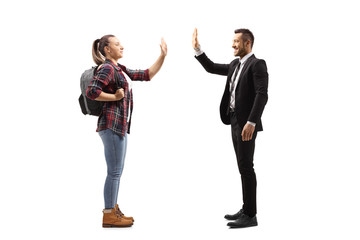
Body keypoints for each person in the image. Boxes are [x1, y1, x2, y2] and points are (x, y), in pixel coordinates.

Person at [86, 34, 167, 228]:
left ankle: (112, 209)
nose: (121, 46)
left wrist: (162, 56)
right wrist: (114, 97)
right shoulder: (107, 67)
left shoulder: (118, 69)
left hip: (118, 126)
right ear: (107, 49)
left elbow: (145, 75)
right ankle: (108, 214)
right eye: (117, 44)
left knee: (116, 171)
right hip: (111, 126)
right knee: (114, 172)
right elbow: (92, 91)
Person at [192, 28, 268, 228]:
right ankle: (246, 208)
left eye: (236, 41)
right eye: (233, 41)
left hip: (246, 124)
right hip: (233, 120)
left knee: (246, 167)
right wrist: (198, 49)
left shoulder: (257, 64)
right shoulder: (235, 64)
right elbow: (211, 67)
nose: (233, 45)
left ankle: (251, 215)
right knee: (242, 166)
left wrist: (251, 122)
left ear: (248, 43)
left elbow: (262, 94)